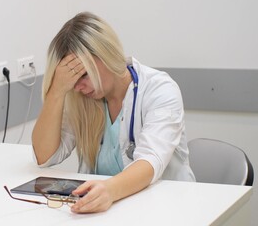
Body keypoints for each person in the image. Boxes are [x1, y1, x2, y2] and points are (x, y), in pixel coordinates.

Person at [32, 12, 195, 214]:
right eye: (71, 80)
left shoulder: (160, 90)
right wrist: (56, 91)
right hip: (105, 213)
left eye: (83, 74)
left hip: (165, 209)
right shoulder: (81, 98)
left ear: (106, 54)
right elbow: (44, 156)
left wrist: (108, 191)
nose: (78, 87)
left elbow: (150, 161)